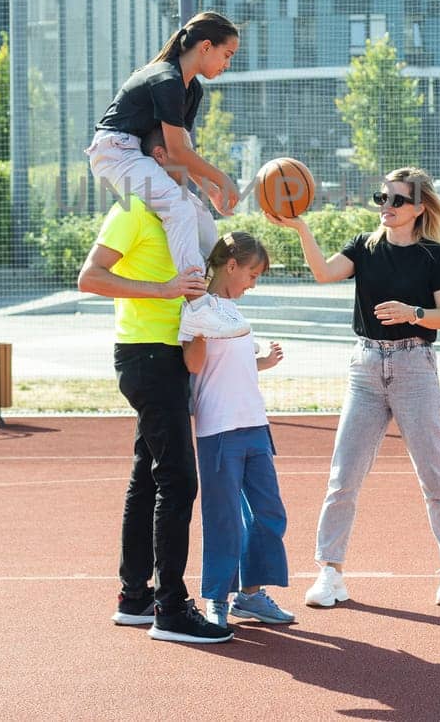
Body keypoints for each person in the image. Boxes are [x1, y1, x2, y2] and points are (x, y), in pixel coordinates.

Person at [268, 166, 440, 608]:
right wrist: (302, 228)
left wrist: (411, 312)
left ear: (418, 208)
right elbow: (322, 273)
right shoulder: (364, 246)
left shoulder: (434, 256)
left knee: (434, 477)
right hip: (365, 367)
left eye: (397, 201)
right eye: (383, 198)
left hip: (414, 366)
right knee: (343, 478)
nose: (387, 207)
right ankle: (329, 573)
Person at [76, 127, 232, 645]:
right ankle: (171, 607)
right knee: (178, 481)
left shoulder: (181, 212)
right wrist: (163, 290)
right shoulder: (132, 209)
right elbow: (90, 277)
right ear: (158, 155)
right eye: (184, 150)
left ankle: (135, 596)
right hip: (146, 356)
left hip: (166, 354)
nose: (195, 158)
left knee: (148, 476)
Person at [87, 10, 244, 341]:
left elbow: (180, 147)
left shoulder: (191, 90)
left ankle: (211, 304)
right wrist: (222, 180)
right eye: (226, 55)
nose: (227, 64)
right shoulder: (166, 78)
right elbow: (174, 151)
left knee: (198, 213)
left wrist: (208, 190)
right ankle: (198, 307)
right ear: (205, 46)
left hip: (139, 154)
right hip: (115, 151)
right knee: (178, 204)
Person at [181, 231, 295, 629]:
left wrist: (262, 362)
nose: (254, 282)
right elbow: (196, 366)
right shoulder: (199, 306)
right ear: (231, 265)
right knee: (224, 517)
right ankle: (217, 597)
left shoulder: (232, 311)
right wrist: (194, 330)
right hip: (220, 430)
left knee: (268, 513)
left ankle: (251, 596)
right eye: (253, 273)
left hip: (254, 426)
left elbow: (232, 365)